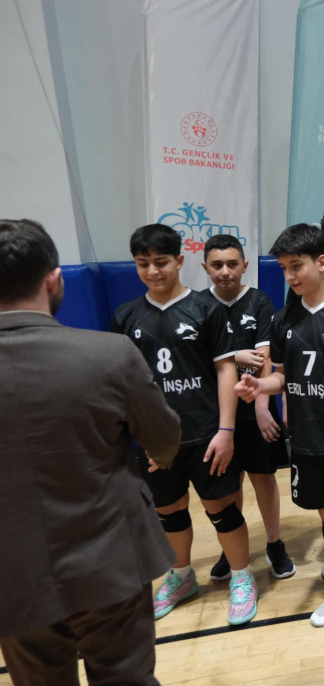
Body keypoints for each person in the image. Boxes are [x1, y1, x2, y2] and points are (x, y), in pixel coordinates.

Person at [0, 219, 180, 685]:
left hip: (11, 575)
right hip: (110, 559)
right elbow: (164, 438)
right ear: (54, 279)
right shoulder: (109, 354)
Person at [111, 224, 257, 626]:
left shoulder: (206, 308)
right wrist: (140, 436)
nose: (152, 271)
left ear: (179, 261)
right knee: (169, 510)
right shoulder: (125, 316)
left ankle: (241, 577)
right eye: (143, 264)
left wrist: (226, 431)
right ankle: (181, 576)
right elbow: (125, 383)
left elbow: (226, 370)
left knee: (221, 509)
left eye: (161, 262)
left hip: (206, 434)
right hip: (157, 441)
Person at [236, 224, 324, 627]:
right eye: (284, 269)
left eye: (297, 266)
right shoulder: (283, 319)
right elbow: (283, 376)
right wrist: (260, 386)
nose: (290, 276)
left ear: (321, 262)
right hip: (308, 438)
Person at [199, 235, 295, 581]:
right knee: (229, 482)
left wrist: (262, 408)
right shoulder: (199, 305)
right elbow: (199, 362)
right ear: (205, 268)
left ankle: (274, 544)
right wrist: (236, 355)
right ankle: (232, 548)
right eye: (217, 265)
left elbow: (264, 358)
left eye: (232, 264)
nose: (225, 271)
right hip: (217, 414)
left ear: (244, 266)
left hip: (255, 408)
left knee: (264, 478)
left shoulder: (258, 301)